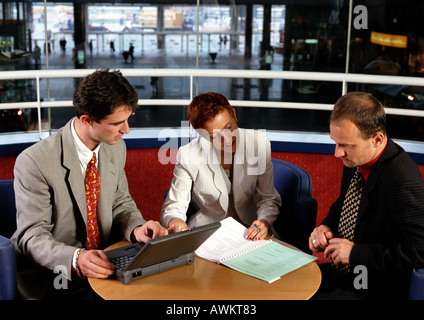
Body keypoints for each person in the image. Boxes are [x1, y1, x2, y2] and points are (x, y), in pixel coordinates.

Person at [12, 69, 168, 300]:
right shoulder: (34, 161)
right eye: (117, 123)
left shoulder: (116, 147)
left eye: (128, 119)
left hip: (109, 263)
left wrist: (137, 228)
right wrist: (77, 258)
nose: (126, 130)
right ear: (86, 120)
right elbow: (32, 236)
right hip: (58, 275)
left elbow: (121, 202)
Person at [309, 91, 424, 300]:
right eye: (336, 142)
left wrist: (356, 253)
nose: (337, 153)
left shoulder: (404, 181)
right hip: (347, 274)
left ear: (377, 139)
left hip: (374, 285)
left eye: (346, 145)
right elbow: (346, 202)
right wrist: (325, 227)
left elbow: (419, 251)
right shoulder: (356, 157)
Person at [160, 92, 281, 240]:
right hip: (208, 233)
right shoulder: (188, 154)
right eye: (215, 136)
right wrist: (176, 221)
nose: (228, 139)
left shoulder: (258, 142)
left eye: (228, 127)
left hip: (251, 228)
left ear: (234, 115)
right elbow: (173, 208)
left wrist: (264, 222)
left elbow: (268, 198)